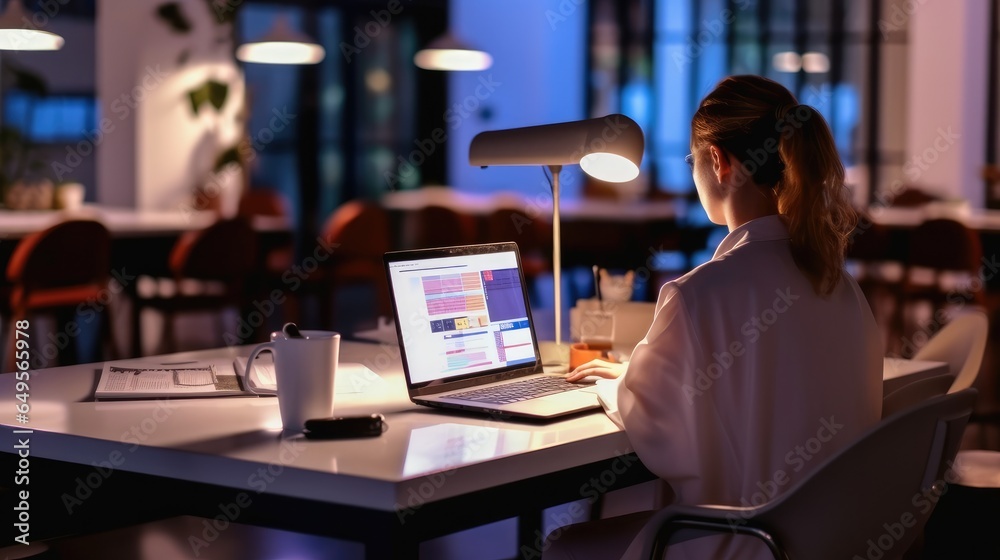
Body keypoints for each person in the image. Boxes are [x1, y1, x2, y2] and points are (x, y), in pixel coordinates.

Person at [544, 75, 883, 559]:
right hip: (832, 542)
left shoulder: (697, 294)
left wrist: (614, 384)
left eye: (693, 160)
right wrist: (643, 377)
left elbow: (656, 424)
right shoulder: (840, 284)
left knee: (563, 547)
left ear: (719, 162)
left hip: (744, 543)